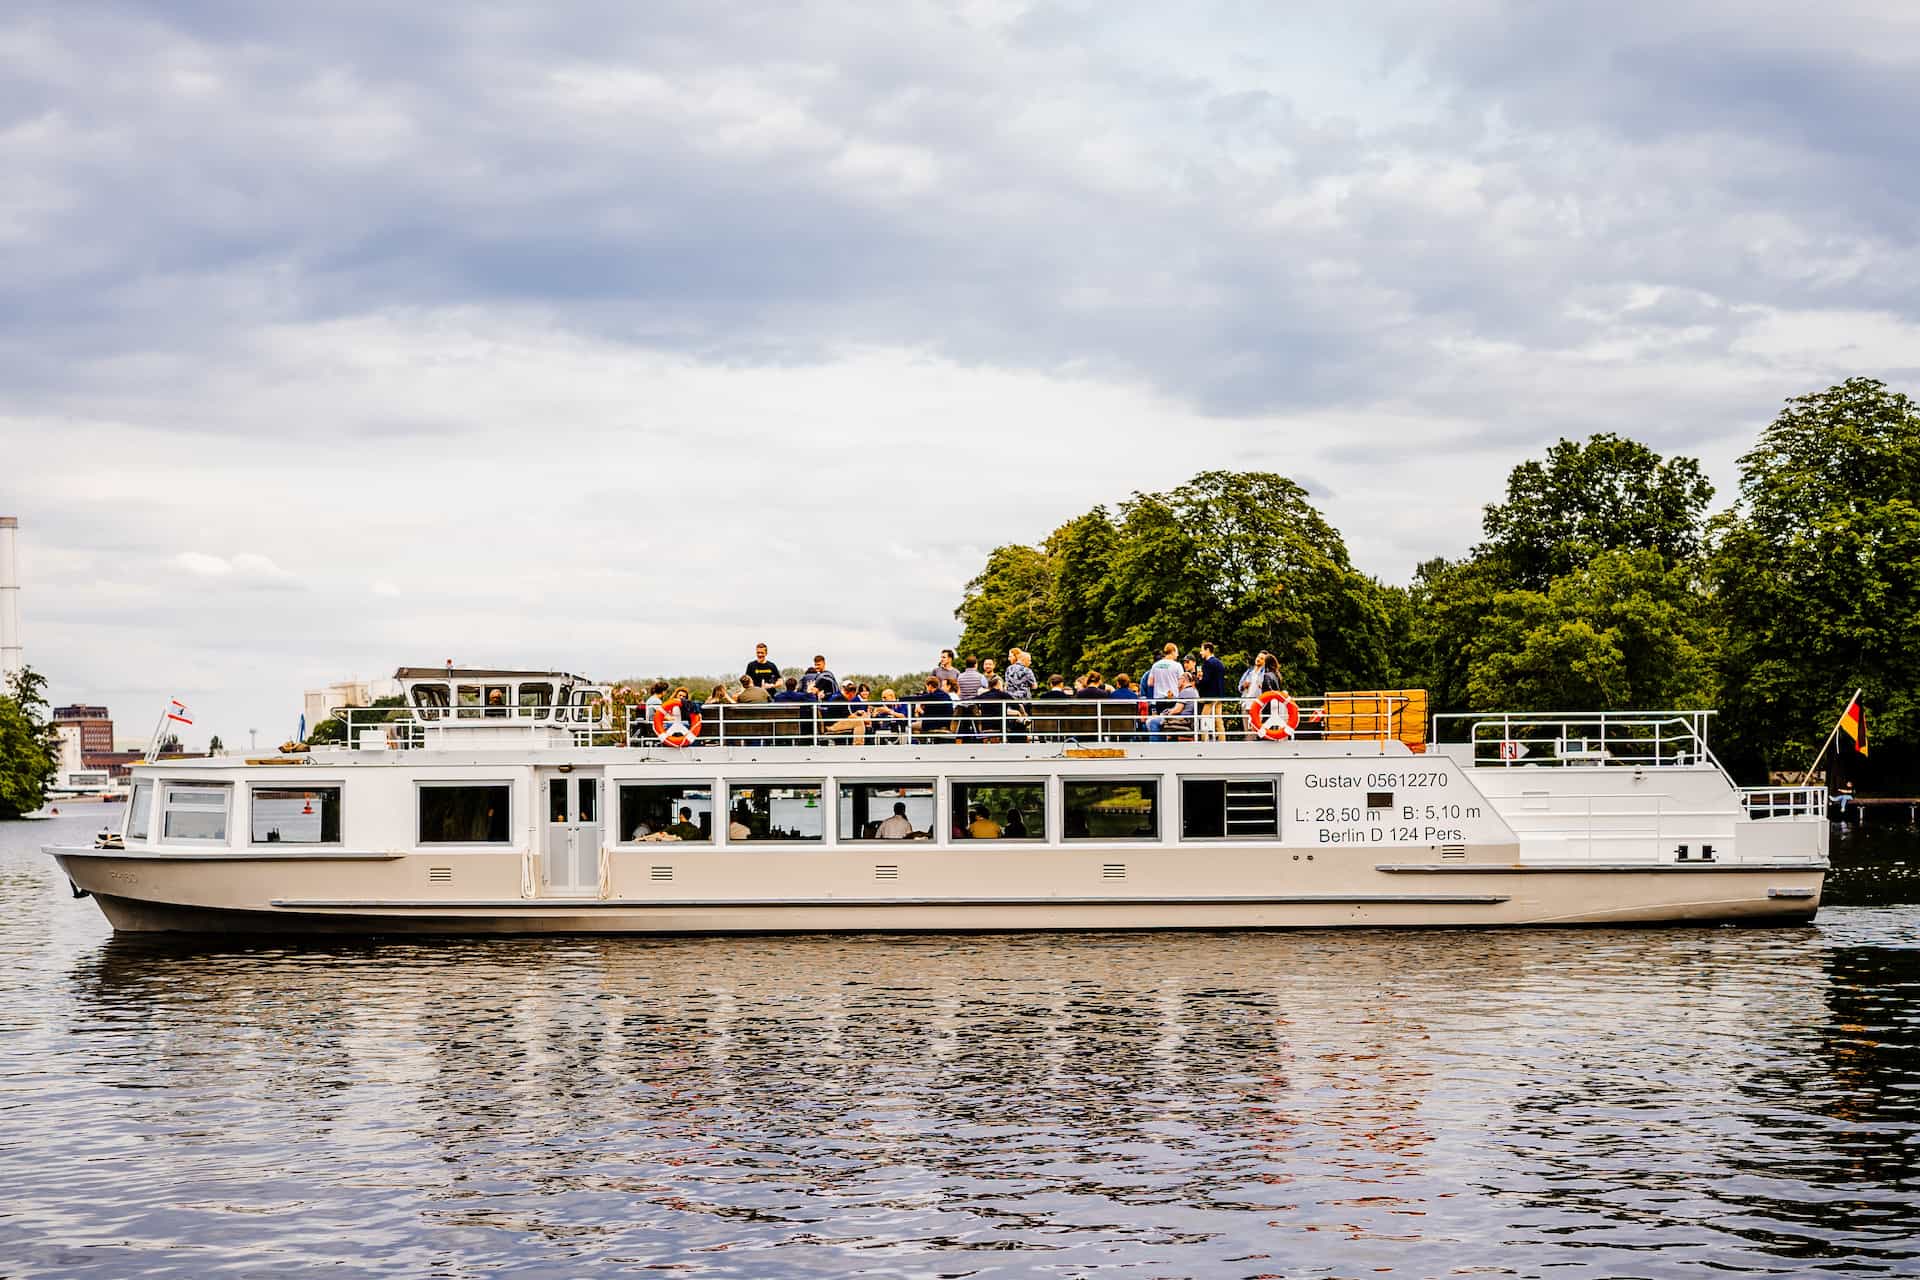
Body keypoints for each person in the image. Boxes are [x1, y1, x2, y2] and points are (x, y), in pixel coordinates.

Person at [1196, 641, 1228, 741]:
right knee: (1218, 719)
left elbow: (1206, 680)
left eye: (1202, 650)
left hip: (1210, 696)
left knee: (1204, 717)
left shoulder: (1208, 663)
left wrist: (1198, 680)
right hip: (1219, 695)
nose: (1200, 653)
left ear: (1207, 650)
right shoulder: (1220, 663)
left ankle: (1204, 740)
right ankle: (1222, 740)